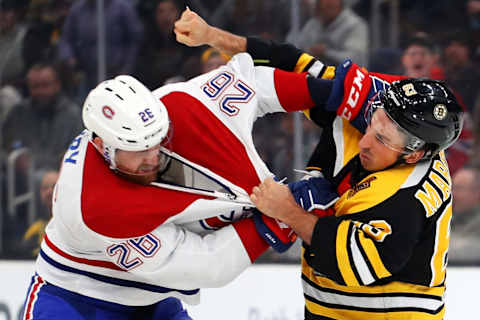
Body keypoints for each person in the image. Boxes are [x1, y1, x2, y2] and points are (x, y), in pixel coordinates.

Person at [174, 8, 464, 319]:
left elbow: (357, 262)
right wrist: (212, 36)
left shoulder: (407, 193)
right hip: (323, 308)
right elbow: (293, 62)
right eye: (372, 124)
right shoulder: (370, 103)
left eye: (382, 140)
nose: (365, 140)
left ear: (415, 154)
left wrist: (286, 210)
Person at [22, 38, 342, 318]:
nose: (152, 156)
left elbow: (252, 86)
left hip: (153, 299)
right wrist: (283, 217)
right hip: (76, 296)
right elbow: (207, 264)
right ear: (101, 146)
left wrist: (331, 93)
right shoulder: (96, 207)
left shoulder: (167, 108)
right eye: (137, 149)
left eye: (157, 140)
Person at [1, 62, 82, 170]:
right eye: (35, 86)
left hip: (62, 178)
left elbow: (78, 156)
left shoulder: (73, 115)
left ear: (57, 85)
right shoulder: (18, 114)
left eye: (45, 85)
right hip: (23, 181)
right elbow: (10, 152)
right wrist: (39, 179)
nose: (40, 91)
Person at [449, 166, 480, 264]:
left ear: (477, 193)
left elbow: (473, 250)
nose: (453, 193)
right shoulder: (444, 218)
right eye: (452, 188)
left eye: (459, 189)